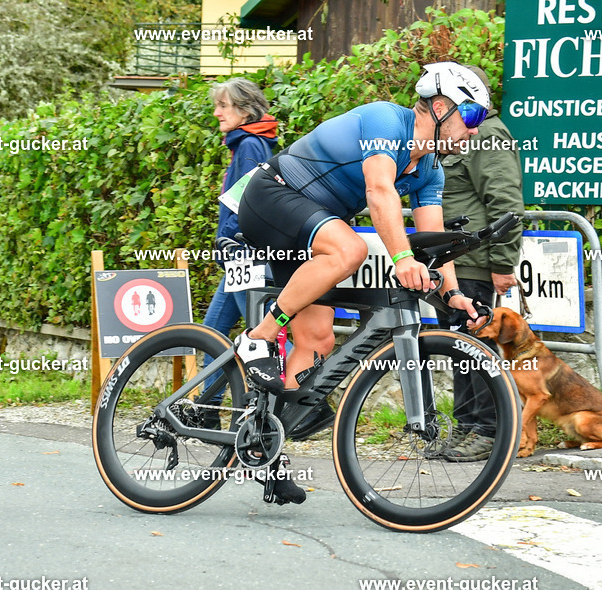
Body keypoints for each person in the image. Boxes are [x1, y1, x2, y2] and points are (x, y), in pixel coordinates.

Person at [233, 62, 493, 504]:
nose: (473, 131)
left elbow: (434, 241)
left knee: (316, 342)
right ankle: (257, 338)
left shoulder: (430, 169)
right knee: (349, 250)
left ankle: (262, 446)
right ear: (440, 106)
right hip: (273, 197)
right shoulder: (385, 122)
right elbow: (378, 192)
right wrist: (402, 258)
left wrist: (453, 294)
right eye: (470, 119)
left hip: (310, 225)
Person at [435, 66, 524, 463]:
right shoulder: (455, 133)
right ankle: (468, 428)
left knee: (476, 351)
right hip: (453, 262)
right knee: (460, 351)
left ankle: (488, 431)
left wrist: (503, 263)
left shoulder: (487, 133)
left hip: (474, 262)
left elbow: (505, 203)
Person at [202, 77, 279, 344]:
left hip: (243, 254)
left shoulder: (249, 144)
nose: (216, 113)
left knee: (262, 330)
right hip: (241, 255)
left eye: (223, 105)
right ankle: (208, 388)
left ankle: (299, 380)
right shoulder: (252, 142)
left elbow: (247, 202)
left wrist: (226, 239)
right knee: (212, 332)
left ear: (245, 110)